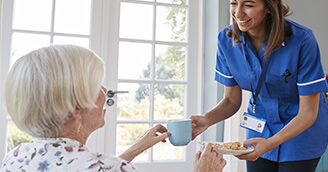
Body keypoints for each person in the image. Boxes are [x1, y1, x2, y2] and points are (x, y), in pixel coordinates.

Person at [1, 44, 226, 172]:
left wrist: (135, 149)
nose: (104, 91)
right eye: (95, 85)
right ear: (75, 108)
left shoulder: (16, 157)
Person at [190, 0, 328, 172]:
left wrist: (272, 142)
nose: (238, 13)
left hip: (301, 133)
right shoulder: (226, 41)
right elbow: (231, 100)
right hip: (260, 129)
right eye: (234, 3)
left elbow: (308, 112)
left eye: (249, 5)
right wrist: (206, 119)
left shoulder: (302, 41)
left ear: (270, 6)